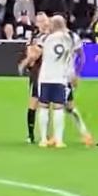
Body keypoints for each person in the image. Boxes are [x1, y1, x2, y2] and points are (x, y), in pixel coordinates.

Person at [33, 15, 75, 148]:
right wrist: (71, 75)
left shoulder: (45, 38)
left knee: (44, 107)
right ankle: (59, 139)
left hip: (45, 77)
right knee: (58, 108)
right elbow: (70, 59)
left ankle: (43, 139)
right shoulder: (68, 39)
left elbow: (35, 53)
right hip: (60, 77)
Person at [18, 11, 49, 144]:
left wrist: (23, 64)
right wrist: (29, 59)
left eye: (44, 20)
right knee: (34, 102)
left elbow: (34, 54)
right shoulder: (34, 37)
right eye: (39, 21)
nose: (42, 23)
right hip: (37, 73)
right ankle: (31, 134)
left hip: (49, 72)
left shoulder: (50, 36)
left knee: (49, 104)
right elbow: (30, 53)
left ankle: (46, 135)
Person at [63, 29, 92, 146]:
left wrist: (77, 73)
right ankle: (52, 136)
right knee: (58, 105)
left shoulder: (72, 36)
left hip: (66, 77)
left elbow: (81, 55)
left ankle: (85, 133)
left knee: (66, 106)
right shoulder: (51, 35)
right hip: (52, 76)